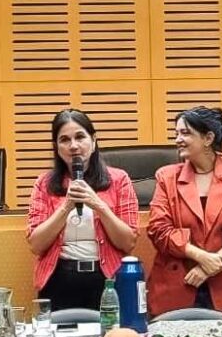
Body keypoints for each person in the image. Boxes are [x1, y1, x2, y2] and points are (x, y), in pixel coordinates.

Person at [147, 106, 222, 317]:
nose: (178, 140)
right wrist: (202, 257)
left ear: (208, 138)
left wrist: (212, 265)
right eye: (176, 133)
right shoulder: (166, 177)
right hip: (178, 287)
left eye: (185, 133)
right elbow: (159, 230)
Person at [27, 109, 138, 311]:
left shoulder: (119, 180)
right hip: (59, 278)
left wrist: (98, 205)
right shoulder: (44, 184)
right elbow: (36, 245)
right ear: (56, 147)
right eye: (64, 140)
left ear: (93, 141)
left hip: (107, 279)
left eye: (80, 137)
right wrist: (66, 207)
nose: (73, 146)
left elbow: (128, 243)